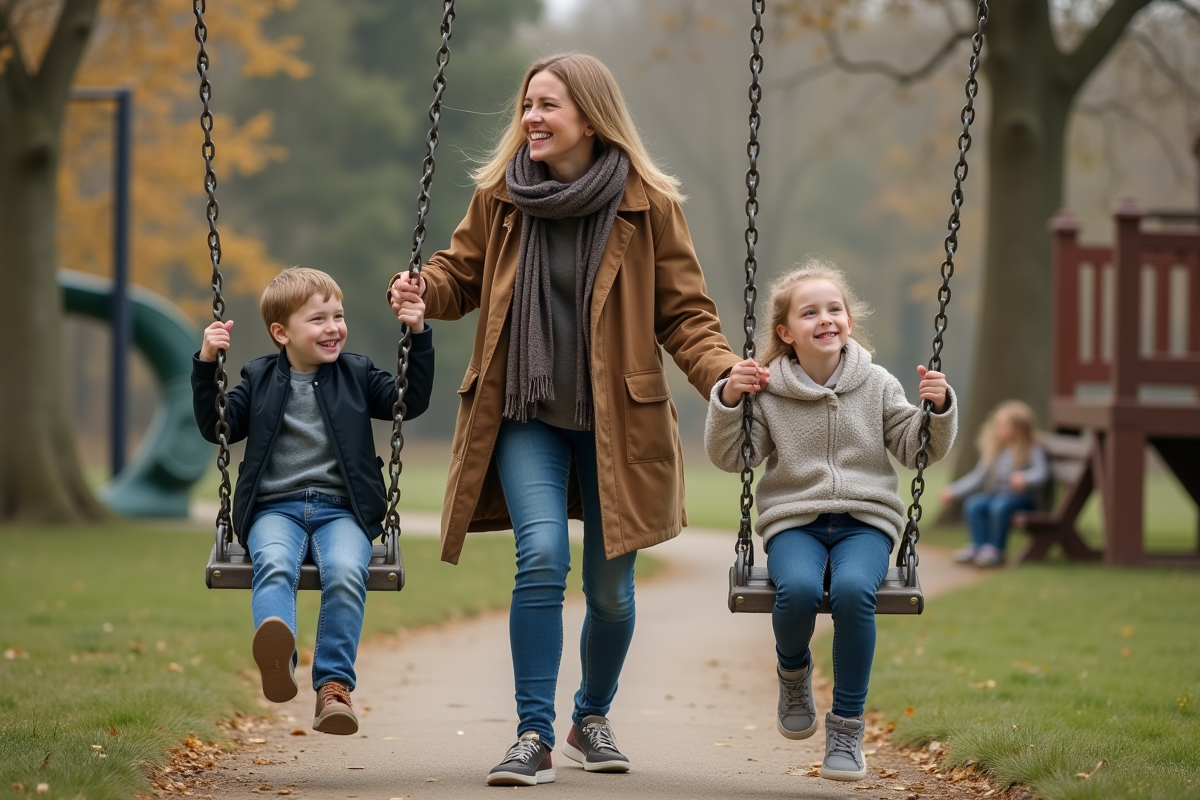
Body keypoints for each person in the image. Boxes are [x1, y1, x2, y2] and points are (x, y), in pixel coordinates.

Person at [388, 53, 740, 787]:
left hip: (620, 420)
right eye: (527, 105)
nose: (531, 118)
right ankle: (533, 734)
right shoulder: (502, 196)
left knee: (610, 591)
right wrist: (424, 292)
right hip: (526, 411)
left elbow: (685, 315)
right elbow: (460, 273)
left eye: (547, 105)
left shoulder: (648, 204)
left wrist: (721, 375)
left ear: (590, 117)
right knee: (542, 556)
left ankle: (591, 716)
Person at [704, 258, 957, 782]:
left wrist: (937, 409)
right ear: (786, 332)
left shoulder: (878, 383)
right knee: (796, 589)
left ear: (848, 320)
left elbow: (914, 448)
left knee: (853, 592)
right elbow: (732, 457)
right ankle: (794, 670)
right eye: (810, 312)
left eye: (834, 309)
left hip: (866, 523)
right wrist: (729, 398)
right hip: (795, 522)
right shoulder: (768, 391)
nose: (826, 319)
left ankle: (846, 727)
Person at [193, 267, 433, 735]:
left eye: (338, 316)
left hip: (342, 511)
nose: (333, 328)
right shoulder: (258, 376)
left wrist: (418, 334)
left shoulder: (358, 374)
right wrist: (207, 363)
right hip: (274, 509)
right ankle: (277, 659)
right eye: (318, 319)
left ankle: (333, 687)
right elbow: (218, 426)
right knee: (274, 563)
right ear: (281, 333)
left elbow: (408, 401)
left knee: (345, 571)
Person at [941, 400, 1048, 567]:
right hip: (998, 496)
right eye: (996, 424)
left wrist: (1025, 478)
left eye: (1003, 425)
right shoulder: (996, 450)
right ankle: (978, 545)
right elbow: (977, 477)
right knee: (974, 504)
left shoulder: (1031, 448)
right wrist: (953, 490)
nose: (997, 429)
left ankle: (995, 549)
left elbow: (1042, 472)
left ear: (1019, 428)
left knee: (999, 506)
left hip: (1023, 500)